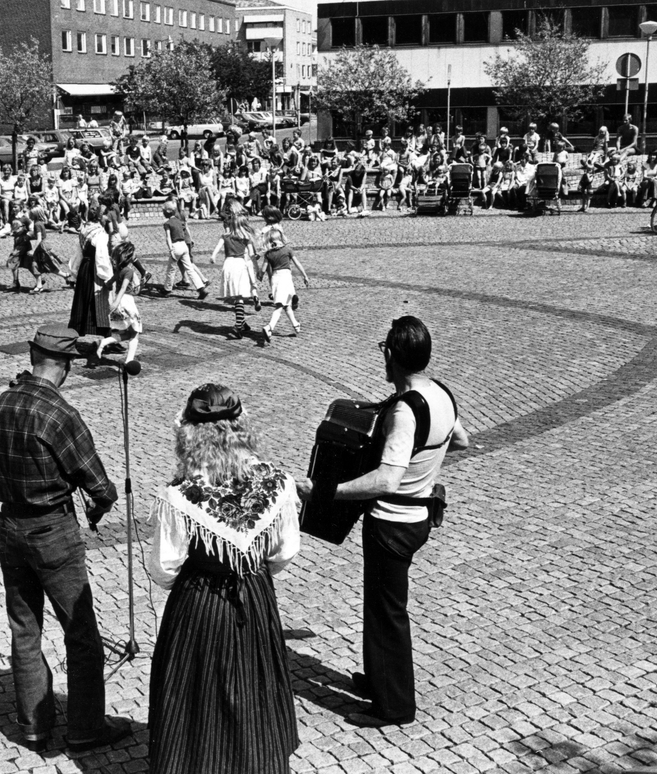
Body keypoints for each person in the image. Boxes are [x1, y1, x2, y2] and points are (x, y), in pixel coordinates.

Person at [296, 316, 471, 728]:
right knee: (380, 606)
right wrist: (424, 467)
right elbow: (461, 440)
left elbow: (387, 479)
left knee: (388, 613)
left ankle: (394, 706)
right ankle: (378, 679)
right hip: (419, 516)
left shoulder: (405, 411)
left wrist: (325, 491)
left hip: (392, 522)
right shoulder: (440, 393)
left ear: (391, 355)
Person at [0, 324, 132, 754]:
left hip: (10, 526)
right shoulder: (59, 413)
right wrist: (98, 507)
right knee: (81, 633)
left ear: (33, 358)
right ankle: (86, 728)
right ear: (64, 366)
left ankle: (34, 727)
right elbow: (100, 486)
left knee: (24, 629)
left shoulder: (2, 402)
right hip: (52, 533)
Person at [147, 383, 301, 774]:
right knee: (255, 682)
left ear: (189, 433)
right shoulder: (277, 482)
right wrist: (251, 572)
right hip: (255, 594)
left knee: (196, 692)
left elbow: (164, 567)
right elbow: (285, 551)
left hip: (200, 601)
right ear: (241, 426)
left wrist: (197, 581)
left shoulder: (181, 494)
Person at [209, 200, 260, 339]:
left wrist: (213, 256)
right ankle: (238, 325)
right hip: (240, 265)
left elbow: (217, 248)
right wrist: (257, 268)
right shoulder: (246, 237)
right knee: (239, 296)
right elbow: (252, 255)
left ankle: (242, 322)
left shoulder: (225, 236)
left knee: (236, 296)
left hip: (228, 265)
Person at [69, 207, 113, 337]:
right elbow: (101, 256)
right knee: (100, 300)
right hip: (94, 269)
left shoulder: (84, 230)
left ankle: (78, 329)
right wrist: (107, 277)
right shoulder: (100, 233)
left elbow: (78, 253)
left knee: (83, 300)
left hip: (84, 267)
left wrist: (74, 273)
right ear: (99, 217)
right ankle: (106, 335)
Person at [259, 230, 309, 344]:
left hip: (275, 279)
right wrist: (305, 275)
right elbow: (297, 263)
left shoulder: (268, 253)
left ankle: (296, 324)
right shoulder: (287, 250)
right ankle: (269, 327)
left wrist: (260, 276)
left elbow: (263, 269)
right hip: (285, 278)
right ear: (281, 238)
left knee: (286, 304)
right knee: (280, 306)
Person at [159, 201, 208, 298]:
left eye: (163, 211)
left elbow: (168, 238)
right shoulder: (178, 221)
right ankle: (201, 288)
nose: (163, 212)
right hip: (184, 245)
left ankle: (167, 289)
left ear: (168, 211)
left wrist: (170, 249)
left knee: (171, 269)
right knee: (190, 269)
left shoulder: (167, 223)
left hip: (176, 246)